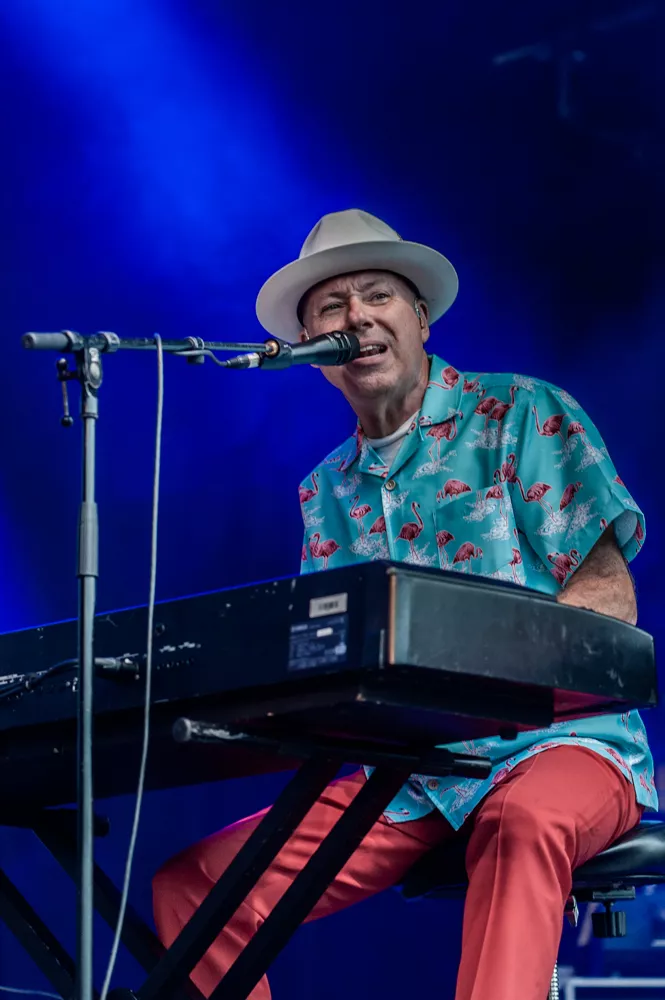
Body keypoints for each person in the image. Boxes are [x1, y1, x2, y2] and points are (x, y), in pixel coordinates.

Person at [153, 209, 657, 1000]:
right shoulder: (324, 489)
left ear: (419, 318)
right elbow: (332, 656)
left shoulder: (522, 412)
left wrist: (489, 691)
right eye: (331, 307)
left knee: (519, 821)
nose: (356, 317)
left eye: (377, 295)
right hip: (410, 777)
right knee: (194, 888)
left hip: (559, 747)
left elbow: (607, 600)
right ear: (312, 350)